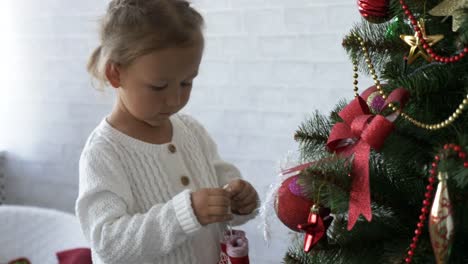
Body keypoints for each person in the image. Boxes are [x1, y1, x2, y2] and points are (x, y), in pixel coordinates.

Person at [75, 1, 258, 263]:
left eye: (186, 82)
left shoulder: (191, 131)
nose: (174, 100)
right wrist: (186, 213)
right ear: (116, 74)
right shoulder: (104, 152)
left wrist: (238, 201)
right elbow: (107, 243)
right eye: (159, 86)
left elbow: (220, 194)